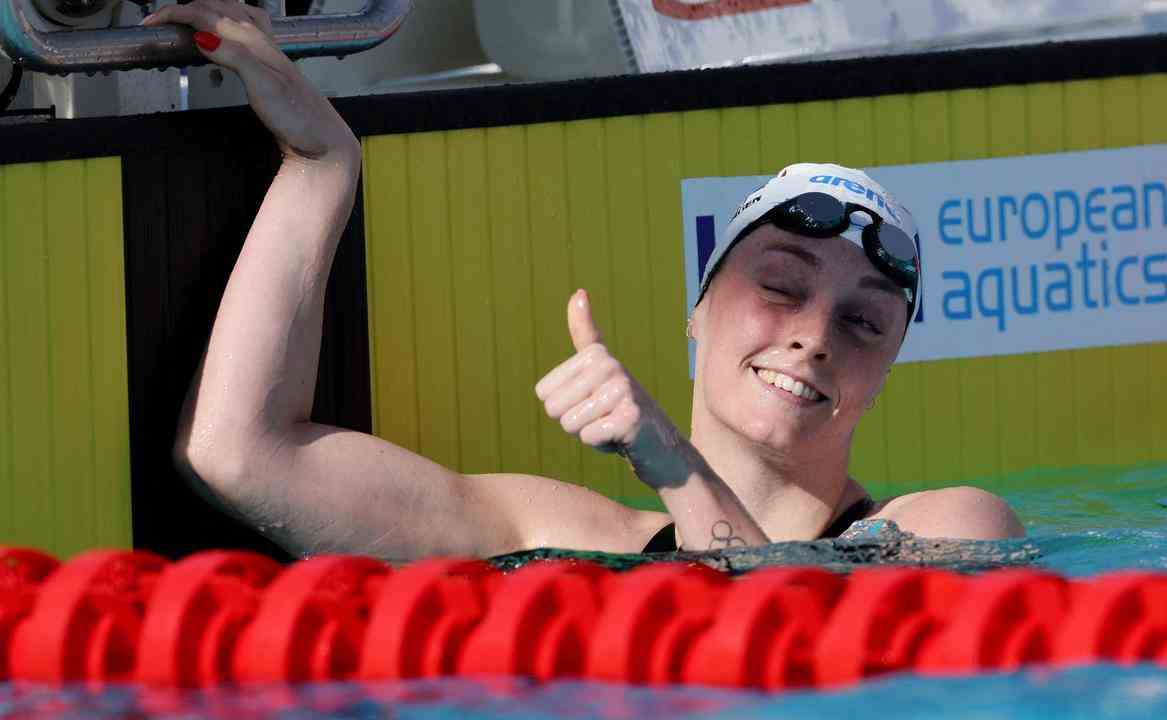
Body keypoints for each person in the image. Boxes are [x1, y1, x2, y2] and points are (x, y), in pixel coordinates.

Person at [161, 0, 1024, 565]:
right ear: (699, 311)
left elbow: (797, 657)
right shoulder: (547, 533)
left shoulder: (944, 533)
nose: (816, 335)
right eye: (782, 287)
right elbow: (239, 453)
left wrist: (670, 464)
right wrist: (320, 166)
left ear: (886, 371)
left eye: (865, 323)